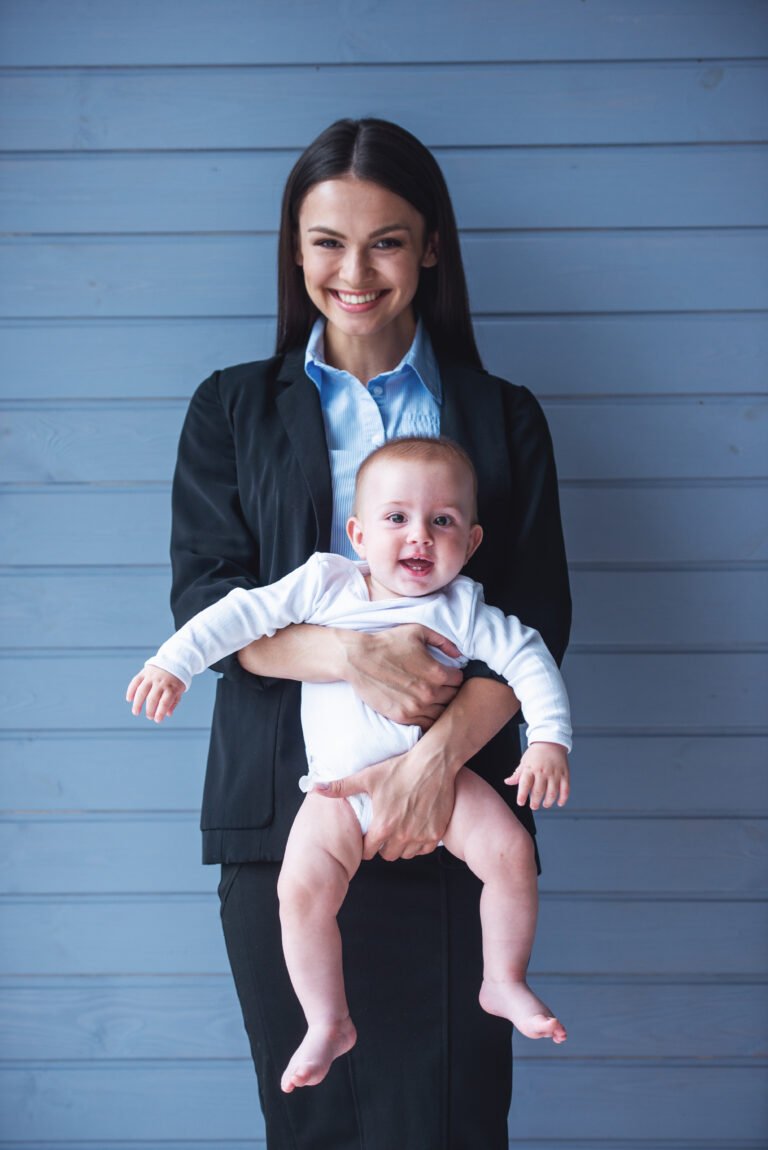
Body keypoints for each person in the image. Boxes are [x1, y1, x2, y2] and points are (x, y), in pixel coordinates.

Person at [160, 117, 572, 1148]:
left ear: (431, 247)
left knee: (449, 1121)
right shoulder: (230, 410)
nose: (354, 271)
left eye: (386, 239)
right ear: (295, 253)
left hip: (457, 812)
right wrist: (353, 652)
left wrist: (437, 760)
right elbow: (210, 602)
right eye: (326, 241)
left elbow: (539, 622)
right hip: (282, 815)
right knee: (314, 1125)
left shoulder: (503, 415)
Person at [127, 436, 572, 1092]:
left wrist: (548, 742)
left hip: (439, 780)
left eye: (442, 521)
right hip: (335, 792)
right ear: (358, 534)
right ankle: (326, 1019)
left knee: (510, 856)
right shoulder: (329, 584)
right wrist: (174, 661)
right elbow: (240, 614)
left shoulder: (466, 608)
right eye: (396, 519)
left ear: (471, 543)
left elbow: (530, 658)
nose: (418, 535)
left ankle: (503, 980)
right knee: (300, 892)